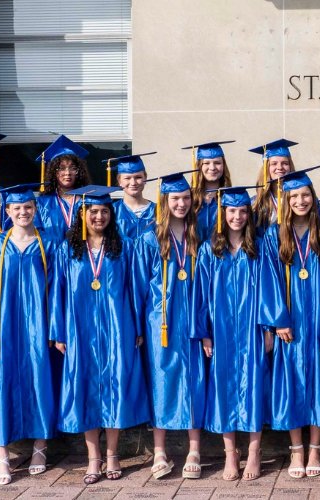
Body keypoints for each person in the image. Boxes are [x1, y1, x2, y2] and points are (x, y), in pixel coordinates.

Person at [50, 185, 149, 485]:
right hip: (81, 330)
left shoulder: (125, 247)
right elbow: (58, 293)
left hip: (118, 328)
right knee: (86, 389)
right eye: (93, 211)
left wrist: (138, 328)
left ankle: (113, 454)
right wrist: (59, 331)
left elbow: (136, 290)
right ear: (83, 214)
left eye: (104, 211)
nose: (99, 216)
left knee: (116, 386)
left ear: (112, 214)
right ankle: (94, 458)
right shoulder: (67, 249)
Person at [0, 182, 58, 486]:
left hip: (38, 327)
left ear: (35, 210)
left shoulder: (49, 244)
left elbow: (58, 291)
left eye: (28, 207)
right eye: (17, 208)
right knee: (0, 385)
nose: (23, 212)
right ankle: (2, 455)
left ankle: (39, 448)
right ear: (7, 211)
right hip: (2, 328)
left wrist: (55, 328)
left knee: (39, 381)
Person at [132, 170, 212, 480]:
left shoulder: (199, 236)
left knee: (194, 378)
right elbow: (139, 288)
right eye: (174, 198)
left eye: (185, 198)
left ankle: (194, 449)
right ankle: (160, 451)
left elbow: (206, 286)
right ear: (165, 201)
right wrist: (138, 328)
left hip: (192, 319)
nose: (180, 203)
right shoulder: (149, 238)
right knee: (161, 380)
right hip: (159, 323)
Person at [196, 185, 277, 482]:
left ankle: (254, 452)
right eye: (232, 210)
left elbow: (270, 289)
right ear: (222, 213)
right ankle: (231, 453)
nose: (238, 216)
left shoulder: (259, 247)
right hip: (221, 331)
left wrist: (269, 327)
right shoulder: (209, 249)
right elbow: (201, 295)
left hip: (252, 328)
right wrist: (204, 332)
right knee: (224, 388)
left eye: (243, 211)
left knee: (254, 386)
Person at [261, 166, 320, 479]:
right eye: (294, 197)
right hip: (289, 323)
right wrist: (278, 320)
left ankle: (315, 448)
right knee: (290, 384)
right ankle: (296, 450)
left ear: (313, 198)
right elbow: (268, 280)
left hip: (317, 318)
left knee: (317, 382)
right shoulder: (273, 236)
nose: (301, 201)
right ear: (285, 201)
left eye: (306, 195)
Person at [35, 135, 92, 242]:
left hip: (83, 256)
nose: (67, 173)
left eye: (73, 168)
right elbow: (36, 235)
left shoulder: (88, 201)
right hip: (51, 256)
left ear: (79, 172)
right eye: (61, 168)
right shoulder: (42, 203)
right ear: (53, 172)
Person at [185, 140, 236, 235]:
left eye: (217, 163)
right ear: (199, 166)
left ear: (224, 166)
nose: (212, 167)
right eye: (206, 163)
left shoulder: (232, 198)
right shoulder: (189, 199)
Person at [250, 138, 298, 229]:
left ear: (290, 166)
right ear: (266, 168)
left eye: (285, 163)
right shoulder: (255, 203)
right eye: (274, 163)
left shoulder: (299, 199)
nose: (280, 167)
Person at [107, 152, 157, 239]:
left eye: (138, 177)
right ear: (119, 181)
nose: (133, 183)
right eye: (127, 178)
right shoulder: (112, 211)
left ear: (145, 178)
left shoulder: (157, 211)